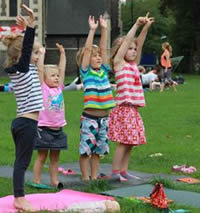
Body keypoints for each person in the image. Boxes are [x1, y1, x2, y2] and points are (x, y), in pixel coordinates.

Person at [2, 4, 43, 212]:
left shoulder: (22, 71)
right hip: (26, 123)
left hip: (24, 122)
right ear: (21, 57)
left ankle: (19, 196)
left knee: (21, 161)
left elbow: (29, 50)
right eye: (33, 54)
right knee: (22, 163)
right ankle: (19, 198)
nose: (36, 56)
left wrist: (27, 30)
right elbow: (27, 49)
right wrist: (31, 25)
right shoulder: (22, 69)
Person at [108, 13, 154, 181]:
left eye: (135, 49)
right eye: (130, 48)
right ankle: (114, 172)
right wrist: (136, 25)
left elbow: (138, 43)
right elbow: (128, 41)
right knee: (124, 141)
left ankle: (123, 171)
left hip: (133, 109)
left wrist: (146, 28)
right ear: (120, 51)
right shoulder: (119, 64)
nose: (134, 51)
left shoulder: (134, 65)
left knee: (131, 142)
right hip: (123, 108)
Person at [76, 15, 115, 181]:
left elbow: (105, 50)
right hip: (90, 119)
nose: (98, 57)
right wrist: (92, 30)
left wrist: (104, 29)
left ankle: (94, 178)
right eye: (95, 55)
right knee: (86, 151)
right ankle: (85, 179)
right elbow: (86, 51)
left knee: (98, 152)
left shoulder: (104, 71)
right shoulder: (86, 72)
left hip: (104, 119)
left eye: (99, 55)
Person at [33, 43, 67, 189]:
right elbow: (40, 69)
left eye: (57, 76)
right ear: (45, 78)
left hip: (58, 130)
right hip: (44, 129)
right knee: (41, 157)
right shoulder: (43, 88)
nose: (56, 78)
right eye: (52, 76)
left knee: (55, 158)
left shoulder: (59, 88)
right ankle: (36, 180)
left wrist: (63, 53)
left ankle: (54, 181)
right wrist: (41, 54)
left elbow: (62, 69)